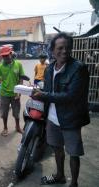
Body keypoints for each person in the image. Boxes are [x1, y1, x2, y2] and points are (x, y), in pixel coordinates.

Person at [31, 32, 90, 187]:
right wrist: (37, 90)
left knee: (73, 153)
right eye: (60, 48)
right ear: (52, 50)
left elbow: (71, 96)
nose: (64, 51)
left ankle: (74, 183)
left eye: (67, 48)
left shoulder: (78, 69)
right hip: (52, 118)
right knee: (57, 149)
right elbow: (49, 89)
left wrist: (43, 95)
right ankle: (60, 175)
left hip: (70, 119)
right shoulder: (50, 69)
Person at [0, 45, 24, 136]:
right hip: (4, 93)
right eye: (3, 56)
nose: (5, 58)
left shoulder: (18, 64)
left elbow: (21, 79)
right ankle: (5, 128)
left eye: (6, 55)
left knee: (16, 113)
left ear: (11, 53)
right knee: (4, 113)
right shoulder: (0, 66)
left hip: (15, 94)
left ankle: (17, 127)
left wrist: (19, 92)